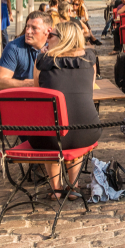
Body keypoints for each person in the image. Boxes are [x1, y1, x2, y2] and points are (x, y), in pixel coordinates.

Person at [24, 21, 101, 200]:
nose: (47, 37)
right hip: (86, 130)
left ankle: (55, 188)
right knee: (75, 119)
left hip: (48, 136)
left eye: (51, 35)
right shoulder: (90, 57)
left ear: (63, 39)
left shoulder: (42, 61)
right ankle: (73, 185)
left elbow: (39, 94)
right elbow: (89, 90)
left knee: (52, 125)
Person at [0, 11, 54, 91]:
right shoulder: (14, 47)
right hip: (22, 99)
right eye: (27, 26)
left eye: (34, 28)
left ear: (48, 31)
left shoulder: (56, 47)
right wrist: (32, 83)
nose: (28, 31)